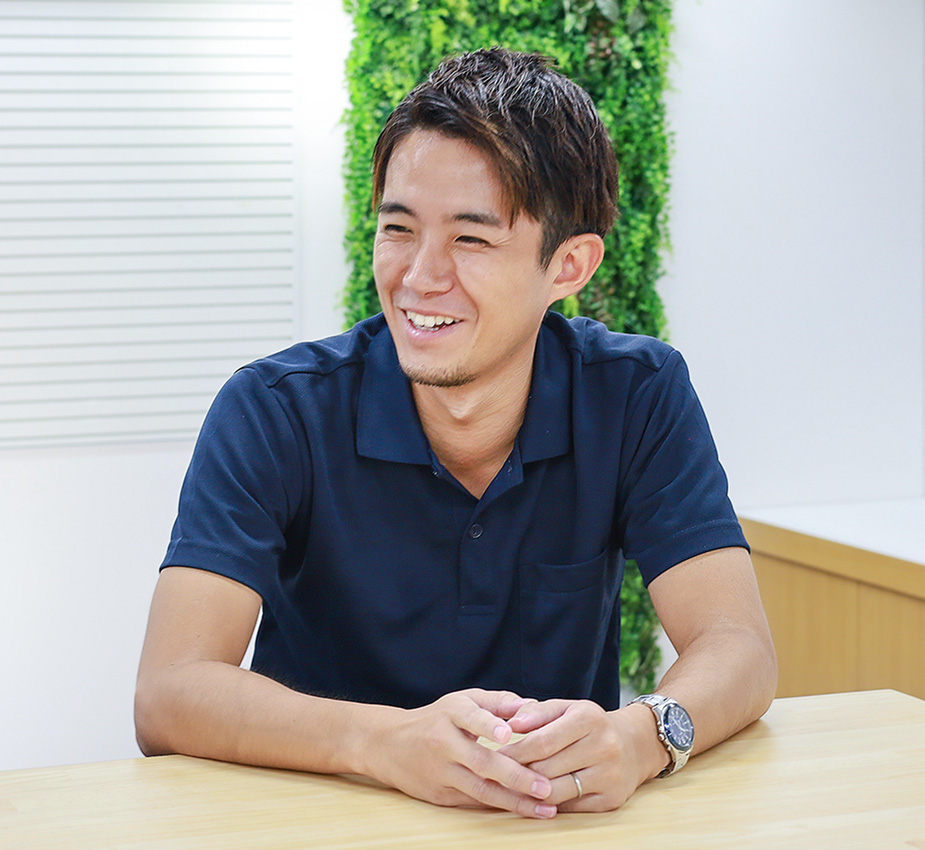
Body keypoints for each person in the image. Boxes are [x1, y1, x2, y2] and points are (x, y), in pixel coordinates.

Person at [135, 47, 777, 819]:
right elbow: (170, 692)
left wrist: (641, 738)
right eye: (398, 228)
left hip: (541, 825)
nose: (419, 277)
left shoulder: (634, 393)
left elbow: (738, 646)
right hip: (318, 819)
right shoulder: (275, 409)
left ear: (568, 266)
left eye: (470, 239)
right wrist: (384, 742)